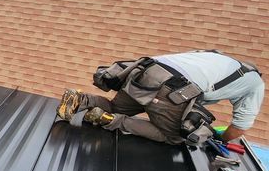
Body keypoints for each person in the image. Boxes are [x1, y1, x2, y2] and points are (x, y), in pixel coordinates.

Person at [56, 50, 263, 145]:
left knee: (114, 106)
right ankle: (112, 121)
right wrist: (220, 139)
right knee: (173, 137)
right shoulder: (255, 83)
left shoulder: (219, 58)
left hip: (144, 71)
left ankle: (81, 100)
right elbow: (239, 128)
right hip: (173, 87)